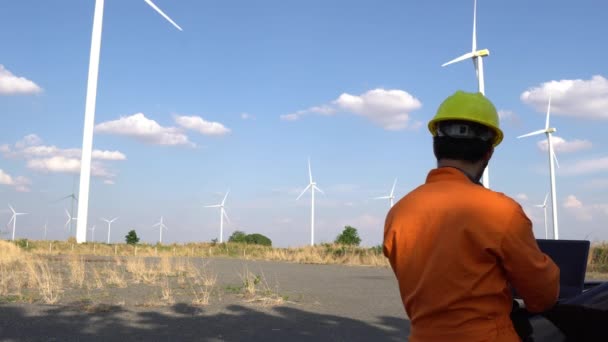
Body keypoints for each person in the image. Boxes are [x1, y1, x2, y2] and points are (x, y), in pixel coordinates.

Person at [383, 90, 560, 341]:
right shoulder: (501, 211)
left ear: (436, 146)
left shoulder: (398, 213)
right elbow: (543, 296)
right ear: (488, 153)